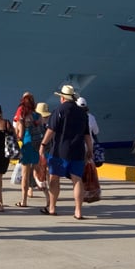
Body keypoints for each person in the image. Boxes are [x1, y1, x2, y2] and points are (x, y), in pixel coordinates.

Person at [39, 84, 93, 218]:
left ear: (62, 98)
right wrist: (90, 150)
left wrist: (43, 144)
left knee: (54, 178)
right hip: (78, 150)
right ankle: (78, 211)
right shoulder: (82, 113)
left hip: (59, 151)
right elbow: (87, 135)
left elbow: (51, 130)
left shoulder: (59, 110)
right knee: (77, 179)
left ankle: (52, 208)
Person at [13, 93, 43, 208]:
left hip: (27, 144)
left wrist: (16, 135)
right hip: (37, 145)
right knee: (39, 173)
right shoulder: (38, 116)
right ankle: (48, 198)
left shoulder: (23, 117)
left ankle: (24, 200)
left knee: (25, 175)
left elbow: (19, 134)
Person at [77, 97, 102, 203]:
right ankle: (90, 191)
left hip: (78, 147)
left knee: (78, 172)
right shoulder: (91, 117)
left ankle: (82, 191)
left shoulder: (74, 117)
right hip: (89, 146)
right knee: (90, 171)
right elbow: (96, 131)